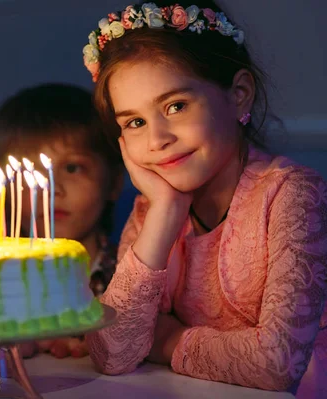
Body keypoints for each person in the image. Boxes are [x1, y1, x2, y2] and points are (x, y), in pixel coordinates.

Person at [81, 1, 327, 396]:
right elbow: (111, 353)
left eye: (175, 106)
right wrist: (164, 214)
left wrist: (164, 341)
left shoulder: (292, 193)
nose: (158, 139)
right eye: (135, 122)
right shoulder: (152, 207)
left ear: (240, 95)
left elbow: (277, 364)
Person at [0, 83, 124, 358]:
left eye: (72, 168)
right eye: (28, 174)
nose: (51, 189)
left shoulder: (136, 275)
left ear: (114, 183)